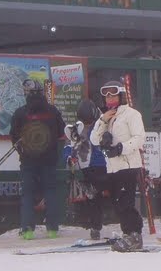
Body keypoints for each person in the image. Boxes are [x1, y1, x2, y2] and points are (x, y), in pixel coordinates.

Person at [90, 80, 146, 252]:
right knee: (116, 202)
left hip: (128, 165)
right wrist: (102, 120)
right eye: (106, 96)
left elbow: (139, 138)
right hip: (112, 166)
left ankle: (134, 234)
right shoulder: (106, 117)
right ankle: (128, 233)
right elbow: (94, 139)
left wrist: (121, 148)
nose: (109, 99)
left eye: (113, 95)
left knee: (125, 202)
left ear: (121, 96)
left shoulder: (131, 114)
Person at [10, 78, 66, 240]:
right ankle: (52, 229)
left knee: (27, 194)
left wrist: (23, 152)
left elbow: (14, 136)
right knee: (51, 192)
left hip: (28, 160)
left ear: (26, 93)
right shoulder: (52, 111)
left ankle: (27, 230)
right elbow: (61, 132)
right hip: (49, 159)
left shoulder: (20, 113)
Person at [63, 99, 108, 240]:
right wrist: (69, 157)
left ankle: (99, 225)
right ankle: (95, 226)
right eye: (85, 122)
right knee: (93, 197)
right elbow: (69, 145)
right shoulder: (77, 128)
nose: (87, 125)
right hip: (86, 166)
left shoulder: (103, 124)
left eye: (89, 122)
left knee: (100, 193)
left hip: (103, 165)